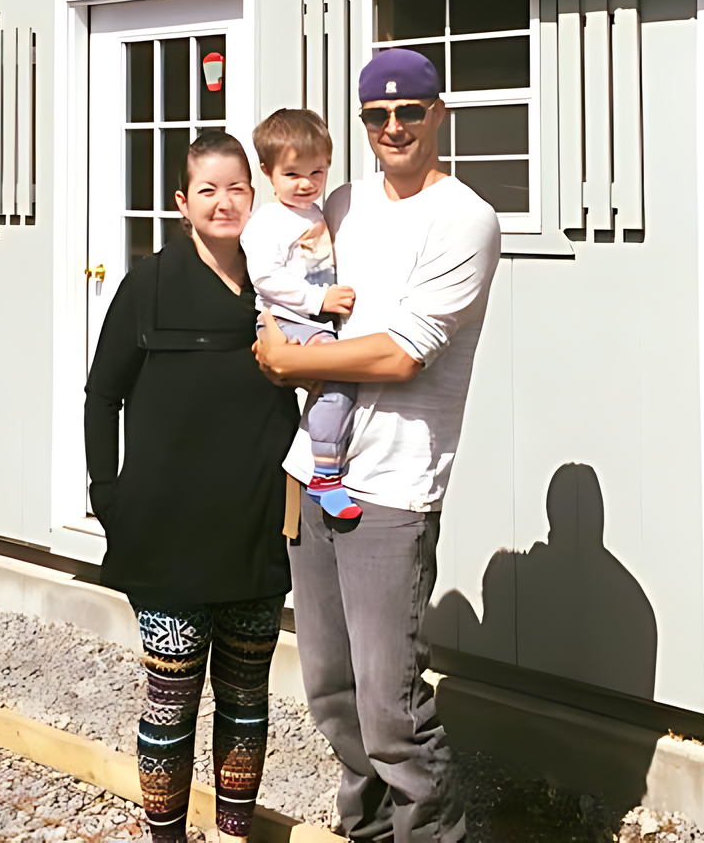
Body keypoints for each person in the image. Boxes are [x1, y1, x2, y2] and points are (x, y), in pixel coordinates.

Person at [255, 48, 502, 843]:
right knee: (330, 691)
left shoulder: (465, 217)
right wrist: (274, 339)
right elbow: (284, 289)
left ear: (439, 114)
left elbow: (401, 353)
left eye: (409, 111)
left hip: (390, 487)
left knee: (390, 707)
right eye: (376, 115)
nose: (393, 126)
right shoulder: (345, 201)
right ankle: (364, 832)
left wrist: (291, 360)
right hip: (312, 472)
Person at [85, 130, 299, 843]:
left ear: (255, 193)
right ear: (183, 202)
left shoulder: (280, 286)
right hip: (167, 536)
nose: (224, 202)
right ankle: (166, 835)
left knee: (245, 699)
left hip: (256, 528)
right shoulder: (149, 283)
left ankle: (235, 831)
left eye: (237, 187)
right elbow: (101, 395)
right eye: (207, 189)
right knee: (171, 702)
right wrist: (105, 495)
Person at [245, 107, 362, 519]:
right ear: (267, 170)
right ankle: (326, 477)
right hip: (287, 318)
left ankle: (323, 460)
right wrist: (321, 301)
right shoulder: (267, 222)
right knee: (339, 383)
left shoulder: (315, 211)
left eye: (317, 173)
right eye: (293, 174)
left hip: (312, 317)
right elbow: (265, 279)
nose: (306, 184)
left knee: (334, 387)